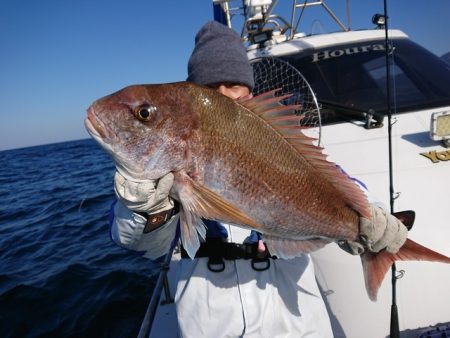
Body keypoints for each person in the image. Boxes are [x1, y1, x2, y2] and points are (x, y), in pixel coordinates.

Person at [110, 21, 408, 337]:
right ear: (196, 97)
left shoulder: (281, 138)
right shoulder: (160, 172)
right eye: (211, 87)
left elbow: (338, 179)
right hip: (212, 324)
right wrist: (141, 207)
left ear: (249, 89)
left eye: (233, 83)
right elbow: (141, 243)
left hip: (297, 325)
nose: (224, 93)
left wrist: (368, 218)